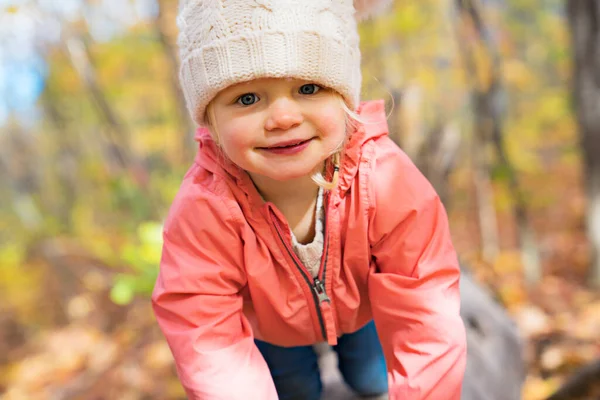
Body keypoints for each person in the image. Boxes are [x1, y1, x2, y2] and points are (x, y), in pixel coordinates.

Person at [151, 0, 467, 399]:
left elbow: (426, 311)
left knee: (372, 380)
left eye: (308, 88)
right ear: (210, 120)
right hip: (273, 328)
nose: (283, 117)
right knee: (297, 389)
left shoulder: (385, 179)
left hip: (361, 309)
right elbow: (205, 337)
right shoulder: (205, 208)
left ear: (344, 98)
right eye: (247, 98)